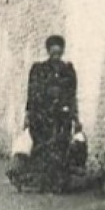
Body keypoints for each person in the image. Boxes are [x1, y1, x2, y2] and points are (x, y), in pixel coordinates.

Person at [10, 34, 82, 193]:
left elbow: (72, 95)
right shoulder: (38, 70)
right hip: (42, 116)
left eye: (59, 51)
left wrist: (76, 117)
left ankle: (59, 181)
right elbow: (32, 92)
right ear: (48, 51)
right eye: (53, 51)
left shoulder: (68, 70)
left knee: (61, 147)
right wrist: (28, 114)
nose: (56, 55)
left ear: (62, 51)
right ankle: (43, 180)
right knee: (42, 148)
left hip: (62, 117)